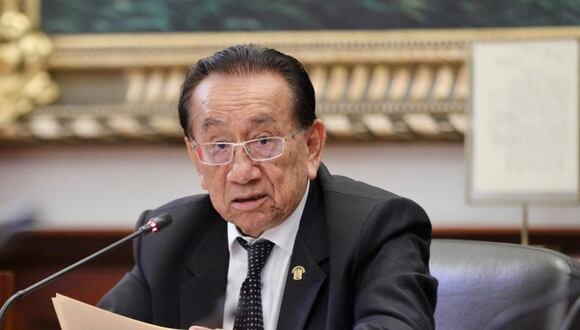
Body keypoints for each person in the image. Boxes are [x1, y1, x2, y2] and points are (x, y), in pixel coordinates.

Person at [99, 44, 437, 330]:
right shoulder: (168, 238)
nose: (242, 172)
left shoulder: (375, 229)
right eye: (218, 146)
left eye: (263, 141)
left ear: (312, 146)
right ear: (196, 157)